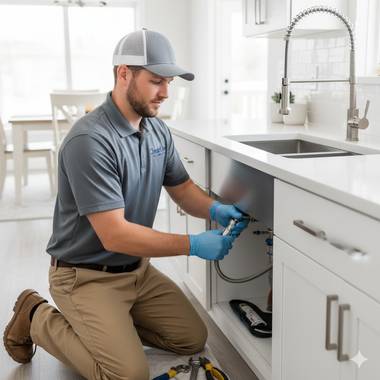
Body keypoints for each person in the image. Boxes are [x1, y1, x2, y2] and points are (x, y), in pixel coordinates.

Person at [3, 29, 249, 380]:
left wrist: (213, 209)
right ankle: (36, 316)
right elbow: (115, 236)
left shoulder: (156, 130)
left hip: (137, 272)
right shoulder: (89, 140)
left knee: (191, 339)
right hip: (84, 276)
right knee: (126, 376)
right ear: (123, 74)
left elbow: (182, 188)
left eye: (169, 82)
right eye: (156, 81)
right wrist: (193, 245)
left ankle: (109, 328)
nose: (165, 93)